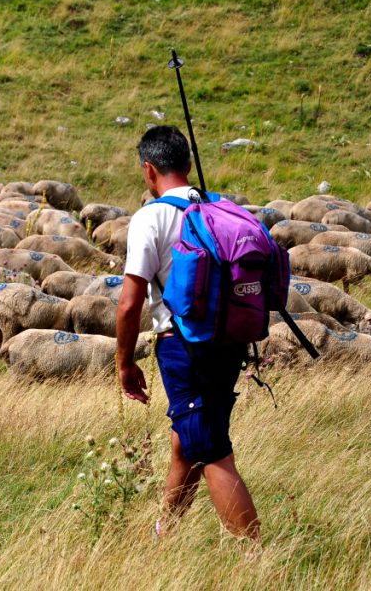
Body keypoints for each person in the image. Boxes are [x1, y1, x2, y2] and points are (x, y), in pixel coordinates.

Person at [115, 125, 261, 544]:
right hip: (231, 340)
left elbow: (129, 303)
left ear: (148, 170)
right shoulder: (221, 206)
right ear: (189, 164)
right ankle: (166, 534)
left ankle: (256, 556)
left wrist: (125, 363)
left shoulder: (151, 217)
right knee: (187, 440)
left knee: (211, 447)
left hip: (184, 346)